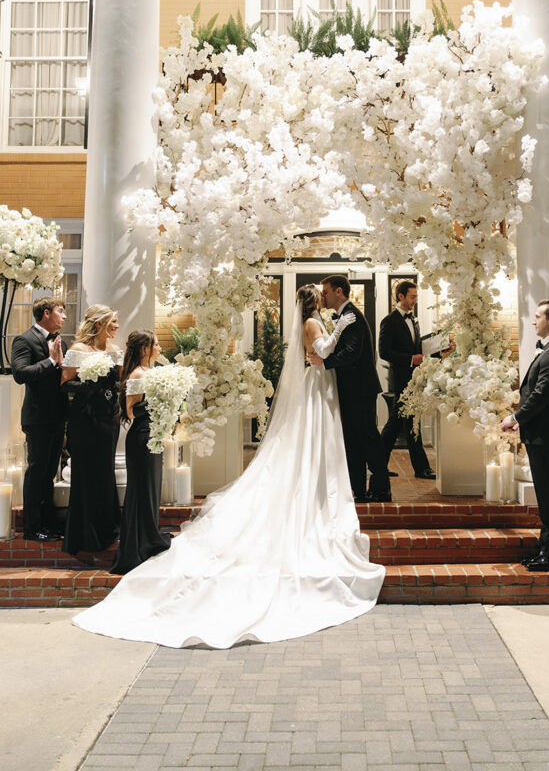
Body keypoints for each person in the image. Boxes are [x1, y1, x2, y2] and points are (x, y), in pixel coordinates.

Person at [73, 284, 384, 648]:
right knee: (315, 441)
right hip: (318, 385)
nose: (327, 301)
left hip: (319, 384)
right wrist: (331, 344)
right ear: (317, 301)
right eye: (323, 297)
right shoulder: (314, 324)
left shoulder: (316, 320)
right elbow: (323, 352)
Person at [501, 299, 549, 572]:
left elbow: (541, 396)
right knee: (547, 495)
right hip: (542, 433)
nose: (534, 321)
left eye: (538, 316)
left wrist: (515, 417)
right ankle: (548, 549)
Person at [315, 274, 391, 502]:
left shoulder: (352, 317)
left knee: (367, 438)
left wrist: (324, 362)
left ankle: (381, 489)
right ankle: (358, 488)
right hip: (353, 388)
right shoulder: (346, 316)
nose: (323, 296)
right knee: (353, 440)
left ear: (339, 292)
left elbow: (352, 352)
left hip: (359, 389)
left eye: (326, 292)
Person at [61, 304, 122, 555]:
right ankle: (85, 534)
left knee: (105, 471)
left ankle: (109, 529)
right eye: (113, 322)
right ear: (99, 324)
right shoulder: (78, 349)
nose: (117, 327)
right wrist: (91, 385)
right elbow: (65, 384)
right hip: (85, 418)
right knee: (86, 474)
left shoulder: (116, 350)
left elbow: (120, 381)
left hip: (108, 418)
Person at [110, 331, 172, 575]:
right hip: (142, 437)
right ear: (144, 349)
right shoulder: (137, 374)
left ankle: (150, 535)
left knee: (151, 488)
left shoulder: (149, 372)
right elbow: (130, 409)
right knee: (141, 489)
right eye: (155, 344)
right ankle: (137, 546)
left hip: (153, 434)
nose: (158, 347)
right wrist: (159, 405)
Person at [10, 297, 68, 541]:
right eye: (60, 311)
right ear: (46, 313)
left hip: (57, 417)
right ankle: (32, 528)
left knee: (49, 473)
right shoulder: (24, 340)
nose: (64, 316)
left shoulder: (60, 341)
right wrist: (51, 361)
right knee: (37, 472)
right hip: (38, 418)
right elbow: (20, 373)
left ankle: (48, 523)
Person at [378, 280, 435, 479]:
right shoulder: (389, 321)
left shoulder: (414, 320)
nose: (415, 300)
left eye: (416, 297)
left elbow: (418, 349)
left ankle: (378, 466)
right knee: (407, 424)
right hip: (401, 380)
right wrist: (411, 359)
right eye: (412, 297)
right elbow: (384, 352)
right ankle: (421, 468)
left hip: (414, 380)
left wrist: (437, 350)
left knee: (399, 425)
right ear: (400, 296)